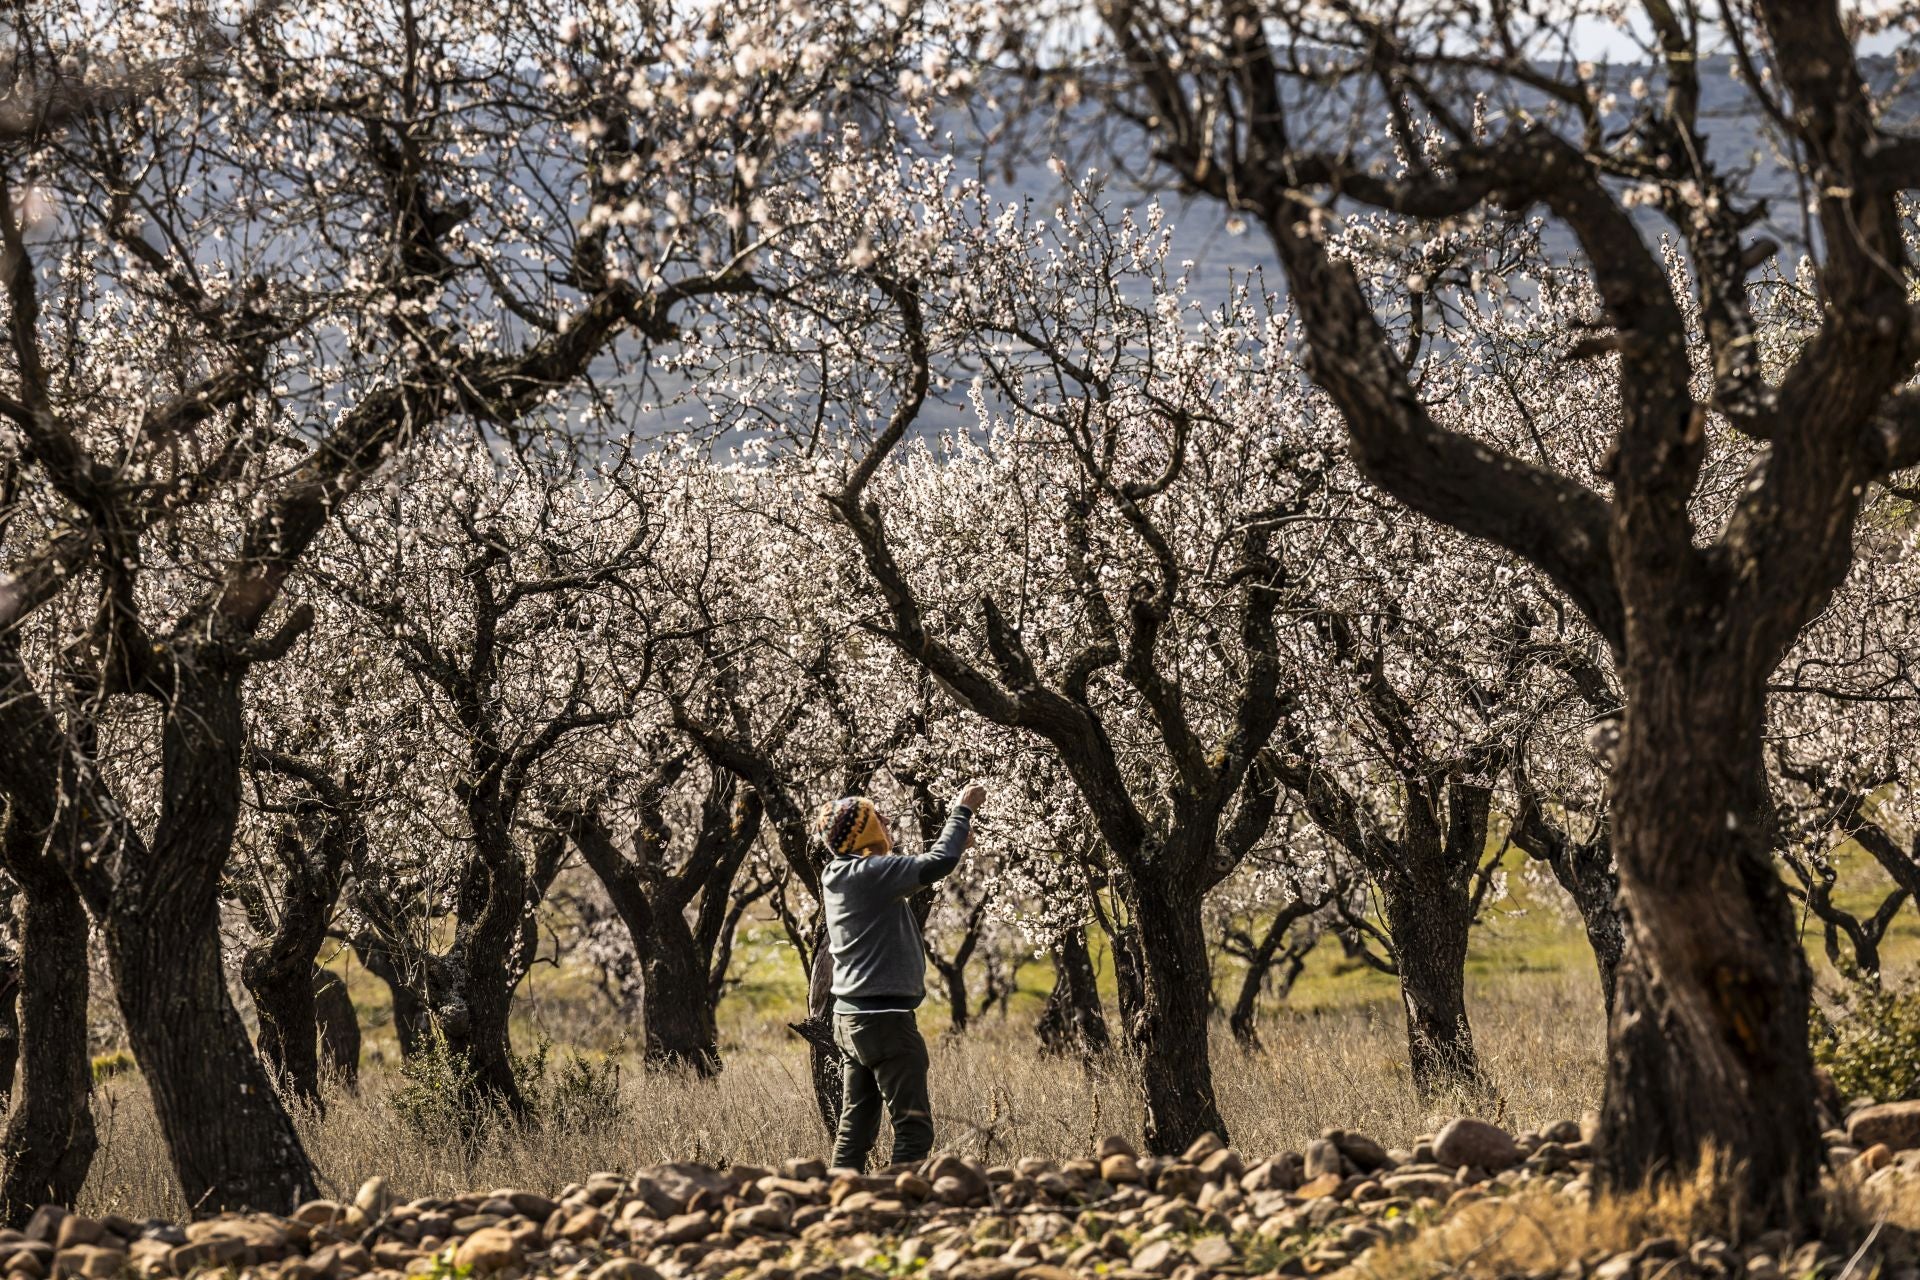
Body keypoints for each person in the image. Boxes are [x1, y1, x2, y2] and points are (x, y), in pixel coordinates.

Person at [816, 782, 986, 1171]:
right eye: (878, 817)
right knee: (914, 1127)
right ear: (864, 833)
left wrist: (955, 846)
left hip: (850, 1018)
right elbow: (936, 863)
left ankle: (842, 1200)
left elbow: (925, 863)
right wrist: (961, 811)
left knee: (855, 1127)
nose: (888, 819)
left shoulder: (840, 873)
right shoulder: (870, 874)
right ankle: (902, 1203)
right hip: (885, 1022)